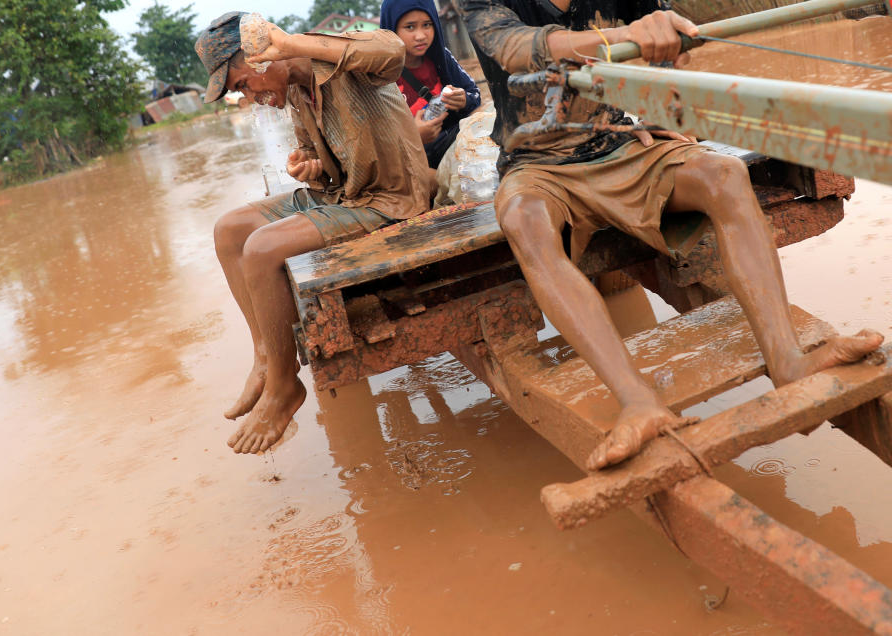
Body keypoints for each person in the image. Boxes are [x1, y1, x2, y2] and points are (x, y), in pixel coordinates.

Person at [461, 0, 884, 470]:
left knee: (723, 174)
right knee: (522, 220)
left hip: (619, 144)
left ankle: (789, 363)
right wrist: (624, 36)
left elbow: (668, 56)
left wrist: (663, 110)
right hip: (537, 165)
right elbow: (515, 47)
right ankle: (639, 404)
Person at [197, 12, 432, 454]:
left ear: (262, 58)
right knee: (230, 231)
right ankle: (265, 355)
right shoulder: (297, 94)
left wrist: (293, 45)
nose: (247, 96)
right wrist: (309, 164)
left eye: (242, 84)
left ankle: (286, 387)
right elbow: (317, 159)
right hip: (345, 195)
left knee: (263, 248)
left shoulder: (341, 58)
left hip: (389, 201)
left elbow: (392, 50)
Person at [380, 0, 481, 169]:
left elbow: (474, 94)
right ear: (391, 30)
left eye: (427, 25)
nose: (421, 36)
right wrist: (413, 136)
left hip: (452, 147)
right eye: (410, 27)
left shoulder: (441, 57)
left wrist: (464, 100)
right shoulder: (380, 75)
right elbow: (374, 139)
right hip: (410, 165)